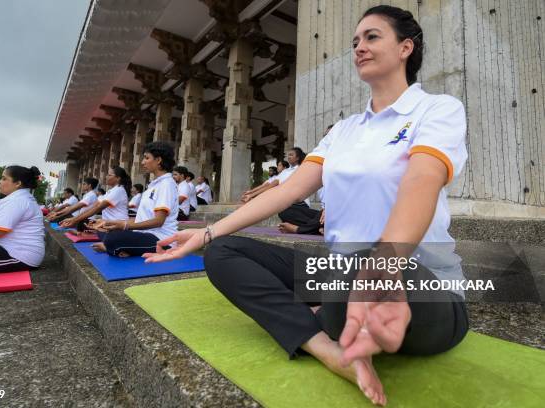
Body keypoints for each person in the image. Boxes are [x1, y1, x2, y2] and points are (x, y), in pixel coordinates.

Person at [143, 5, 469, 406]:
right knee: (225, 251)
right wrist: (207, 233)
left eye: (371, 37)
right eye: (354, 42)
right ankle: (324, 346)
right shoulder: (344, 131)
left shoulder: (437, 110)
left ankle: (330, 313)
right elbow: (287, 191)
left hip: (418, 286)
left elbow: (422, 180)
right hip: (343, 279)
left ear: (405, 47)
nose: (359, 48)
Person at [91, 142, 178, 257]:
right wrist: (114, 223)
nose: (143, 162)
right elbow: (141, 219)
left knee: (112, 238)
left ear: (158, 160)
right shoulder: (153, 185)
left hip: (162, 239)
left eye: (147, 158)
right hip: (145, 234)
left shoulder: (166, 184)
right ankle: (120, 248)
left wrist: (124, 225)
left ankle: (113, 247)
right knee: (105, 230)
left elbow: (158, 221)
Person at [60, 167, 130, 244]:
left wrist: (74, 220)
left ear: (118, 178)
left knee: (85, 235)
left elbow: (97, 208)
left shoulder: (118, 190)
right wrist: (74, 219)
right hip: (108, 225)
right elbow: (94, 207)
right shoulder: (110, 191)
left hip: (117, 227)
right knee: (83, 232)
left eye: (109, 175)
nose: (106, 177)